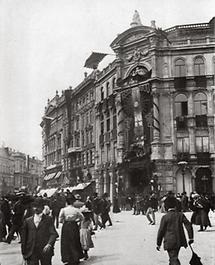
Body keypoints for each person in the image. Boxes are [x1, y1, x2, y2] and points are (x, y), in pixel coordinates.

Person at [156, 196, 194, 265]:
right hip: (179, 241)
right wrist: (191, 237)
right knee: (173, 258)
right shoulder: (180, 215)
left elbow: (161, 231)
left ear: (166, 206)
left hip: (169, 242)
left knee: (173, 259)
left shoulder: (165, 217)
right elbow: (188, 225)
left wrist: (158, 243)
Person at [21, 200, 59, 265]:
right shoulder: (28, 221)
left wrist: (49, 244)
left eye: (38, 207)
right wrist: (24, 254)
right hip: (31, 251)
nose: (35, 209)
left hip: (45, 250)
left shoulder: (48, 219)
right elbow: (24, 238)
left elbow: (53, 234)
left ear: (42, 208)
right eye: (34, 207)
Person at [59, 193, 84, 265]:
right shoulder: (76, 210)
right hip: (74, 226)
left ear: (66, 202)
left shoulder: (63, 210)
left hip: (66, 226)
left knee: (66, 242)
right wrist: (76, 221)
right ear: (73, 202)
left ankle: (67, 258)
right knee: (75, 241)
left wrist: (65, 221)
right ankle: (76, 258)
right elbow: (82, 218)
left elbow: (60, 220)